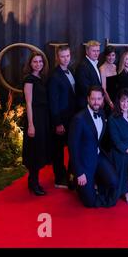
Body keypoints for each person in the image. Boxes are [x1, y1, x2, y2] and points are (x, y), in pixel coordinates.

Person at [68, 86, 119, 207]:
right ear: (88, 99)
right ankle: (81, 185)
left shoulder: (101, 113)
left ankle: (98, 189)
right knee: (89, 203)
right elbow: (72, 148)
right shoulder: (79, 119)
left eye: (99, 99)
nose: (96, 102)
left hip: (98, 156)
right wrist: (79, 172)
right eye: (93, 99)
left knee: (114, 182)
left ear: (102, 99)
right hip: (84, 161)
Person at [48, 45, 76, 189]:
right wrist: (57, 123)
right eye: (63, 56)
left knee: (71, 147)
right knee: (58, 150)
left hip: (71, 118)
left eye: (68, 55)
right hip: (61, 119)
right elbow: (53, 101)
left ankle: (68, 175)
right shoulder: (54, 75)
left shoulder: (70, 71)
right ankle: (59, 178)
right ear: (58, 58)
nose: (66, 59)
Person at [22, 52, 51, 196]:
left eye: (40, 61)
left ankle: (33, 180)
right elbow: (28, 103)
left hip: (43, 117)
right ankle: (34, 183)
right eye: (35, 62)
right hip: (35, 118)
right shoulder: (29, 79)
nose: (38, 64)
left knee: (39, 150)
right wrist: (31, 124)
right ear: (30, 64)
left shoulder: (41, 78)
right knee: (34, 151)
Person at [76, 40, 102, 110]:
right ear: (87, 52)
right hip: (87, 106)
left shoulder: (95, 63)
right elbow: (85, 89)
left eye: (98, 51)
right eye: (94, 51)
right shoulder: (83, 66)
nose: (96, 53)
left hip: (95, 104)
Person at [99, 45, 118, 111]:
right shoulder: (102, 68)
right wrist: (110, 103)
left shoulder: (115, 66)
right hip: (108, 99)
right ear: (105, 56)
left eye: (113, 55)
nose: (111, 57)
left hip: (117, 99)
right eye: (109, 55)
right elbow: (104, 89)